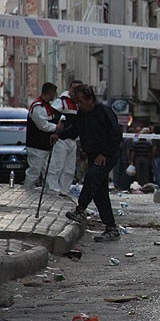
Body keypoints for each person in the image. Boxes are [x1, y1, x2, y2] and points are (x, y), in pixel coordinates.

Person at [51, 84, 123, 242]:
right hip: (92, 155)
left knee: (91, 177)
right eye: (76, 102)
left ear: (90, 99)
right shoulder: (82, 115)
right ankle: (111, 227)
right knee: (99, 192)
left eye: (80, 102)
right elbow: (74, 130)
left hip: (106, 155)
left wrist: (105, 153)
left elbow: (116, 134)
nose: (78, 105)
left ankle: (80, 209)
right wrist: (59, 135)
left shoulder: (104, 112)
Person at [47, 80, 82, 195]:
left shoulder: (79, 104)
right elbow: (51, 115)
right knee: (58, 166)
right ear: (70, 89)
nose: (75, 91)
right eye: (74, 89)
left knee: (70, 168)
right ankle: (53, 189)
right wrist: (56, 127)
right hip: (61, 139)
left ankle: (64, 191)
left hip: (73, 139)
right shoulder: (61, 102)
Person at [24, 82, 62, 190]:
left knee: (51, 171)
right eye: (54, 92)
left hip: (45, 145)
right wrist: (56, 127)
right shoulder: (38, 107)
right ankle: (27, 190)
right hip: (37, 145)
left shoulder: (46, 106)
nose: (55, 95)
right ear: (50, 92)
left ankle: (52, 192)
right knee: (34, 171)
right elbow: (42, 125)